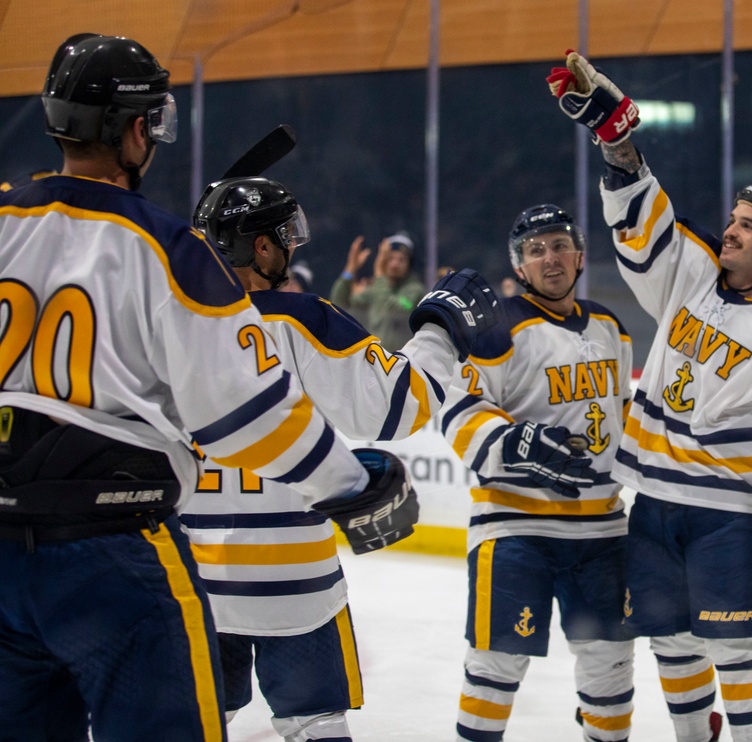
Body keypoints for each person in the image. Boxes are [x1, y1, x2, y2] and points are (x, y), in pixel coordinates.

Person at [0, 33, 375, 741]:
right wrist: (348, 484)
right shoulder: (166, 248)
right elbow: (248, 413)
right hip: (109, 550)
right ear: (138, 128)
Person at [548, 50, 752, 742]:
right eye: (733, 217)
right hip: (658, 501)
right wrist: (614, 140)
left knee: (738, 651)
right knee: (671, 640)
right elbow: (642, 219)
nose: (730, 229)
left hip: (733, 509)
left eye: (748, 226)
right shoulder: (693, 270)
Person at [188, 175, 498, 741]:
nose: (291, 245)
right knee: (315, 724)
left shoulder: (174, 326)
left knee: (196, 723)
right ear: (261, 246)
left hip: (196, 581)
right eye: (284, 235)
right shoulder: (301, 318)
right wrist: (441, 331)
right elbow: (397, 406)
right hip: (294, 581)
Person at [441, 204, 636, 741]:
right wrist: (514, 443)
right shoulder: (496, 327)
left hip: (602, 529)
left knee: (611, 661)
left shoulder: (611, 327)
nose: (548, 258)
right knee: (495, 663)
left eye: (557, 245)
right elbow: (458, 411)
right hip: (514, 524)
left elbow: (625, 414)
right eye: (534, 251)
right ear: (520, 267)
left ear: (579, 256)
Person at [330, 231, 427, 351]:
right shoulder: (375, 289)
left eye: (401, 260)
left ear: (409, 264)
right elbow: (340, 305)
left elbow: (396, 309)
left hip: (401, 362)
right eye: (390, 258)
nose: (395, 264)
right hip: (374, 361)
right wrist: (350, 269)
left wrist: (379, 273)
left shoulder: (415, 290)